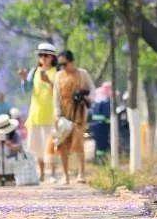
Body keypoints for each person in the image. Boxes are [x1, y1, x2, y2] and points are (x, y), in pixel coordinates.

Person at [51, 49, 95, 185]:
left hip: (79, 113)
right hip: (64, 114)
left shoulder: (82, 74)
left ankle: (81, 174)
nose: (63, 67)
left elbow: (92, 89)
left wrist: (86, 97)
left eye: (65, 64)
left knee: (78, 143)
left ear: (72, 61)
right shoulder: (58, 76)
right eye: (60, 65)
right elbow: (56, 96)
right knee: (63, 144)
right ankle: (66, 175)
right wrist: (57, 114)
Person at [19, 41, 59, 181]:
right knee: (37, 148)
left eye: (46, 55)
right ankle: (41, 174)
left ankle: (52, 174)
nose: (43, 58)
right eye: (40, 55)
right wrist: (24, 79)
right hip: (36, 116)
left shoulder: (57, 73)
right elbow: (27, 90)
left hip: (51, 115)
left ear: (52, 57)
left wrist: (48, 81)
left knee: (51, 146)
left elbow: (60, 92)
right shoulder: (34, 71)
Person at [89, 81, 113, 158]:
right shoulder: (105, 101)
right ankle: (101, 160)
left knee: (99, 144)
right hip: (102, 126)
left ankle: (98, 159)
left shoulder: (97, 99)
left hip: (95, 126)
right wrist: (111, 123)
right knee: (102, 144)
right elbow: (107, 116)